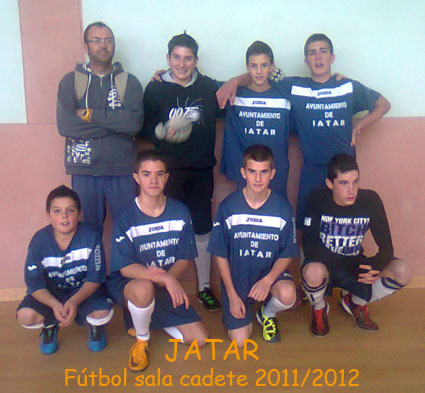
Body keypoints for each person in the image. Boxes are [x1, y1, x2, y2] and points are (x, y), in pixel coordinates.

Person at [216, 33, 391, 237]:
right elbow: (259, 77)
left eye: (323, 52)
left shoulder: (347, 86)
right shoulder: (294, 87)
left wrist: (359, 125)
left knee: (343, 225)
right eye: (312, 53)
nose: (318, 58)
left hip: (343, 169)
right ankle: (308, 268)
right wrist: (235, 81)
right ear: (306, 60)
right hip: (312, 169)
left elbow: (383, 105)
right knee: (306, 228)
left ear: (332, 57)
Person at [139, 33, 222, 312]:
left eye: (188, 58)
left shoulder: (210, 87)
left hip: (200, 171)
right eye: (176, 57)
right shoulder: (155, 89)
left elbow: (242, 88)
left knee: (201, 229)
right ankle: (160, 287)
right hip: (165, 174)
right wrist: (161, 131)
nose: (182, 64)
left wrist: (236, 81)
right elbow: (142, 127)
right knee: (162, 231)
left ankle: (204, 287)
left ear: (196, 60)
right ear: (168, 59)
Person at [107, 150, 207, 372]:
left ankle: (142, 318)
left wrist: (168, 279)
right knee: (143, 290)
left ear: (167, 177)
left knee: (199, 339)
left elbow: (184, 257)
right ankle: (142, 339)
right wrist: (165, 278)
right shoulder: (125, 216)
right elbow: (125, 268)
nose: (153, 180)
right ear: (136, 178)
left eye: (159, 174)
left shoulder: (180, 212)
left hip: (163, 284)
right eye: (146, 174)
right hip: (132, 282)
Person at [301, 154, 412, 337]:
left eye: (355, 182)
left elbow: (386, 248)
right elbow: (309, 245)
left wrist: (373, 267)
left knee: (404, 270)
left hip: (354, 262)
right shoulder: (317, 199)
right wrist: (346, 266)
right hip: (325, 263)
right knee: (313, 272)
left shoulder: (370, 200)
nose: (351, 190)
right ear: (330, 184)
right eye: (343, 183)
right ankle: (319, 309)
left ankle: (355, 302)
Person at [56, 21, 144, 234]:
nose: (103, 45)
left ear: (114, 45)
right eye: (96, 40)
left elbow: (134, 124)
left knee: (128, 233)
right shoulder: (70, 82)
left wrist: (90, 116)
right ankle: (94, 270)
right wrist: (116, 123)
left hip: (122, 170)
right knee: (87, 234)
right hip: (84, 170)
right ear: (86, 46)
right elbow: (66, 126)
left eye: (108, 40)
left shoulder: (129, 82)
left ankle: (123, 270)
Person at [208, 145, 298, 347]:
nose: (258, 179)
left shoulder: (282, 207)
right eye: (252, 171)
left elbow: (288, 252)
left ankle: (267, 314)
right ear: (243, 173)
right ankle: (243, 304)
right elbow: (219, 253)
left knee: (287, 294)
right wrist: (231, 294)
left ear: (272, 174)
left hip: (269, 276)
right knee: (240, 341)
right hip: (238, 280)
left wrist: (268, 281)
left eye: (263, 172)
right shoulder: (228, 207)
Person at [16, 185, 113, 354]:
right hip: (52, 293)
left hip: (83, 291)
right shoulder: (39, 240)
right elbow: (34, 284)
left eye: (70, 210)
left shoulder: (91, 236)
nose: (64, 216)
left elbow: (94, 279)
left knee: (102, 313)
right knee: (26, 316)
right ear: (48, 216)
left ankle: (95, 327)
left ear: (79, 213)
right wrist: (54, 304)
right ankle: (50, 325)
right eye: (57, 211)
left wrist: (74, 301)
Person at [221, 41, 291, 197]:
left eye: (264, 65)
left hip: (276, 174)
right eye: (254, 66)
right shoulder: (233, 94)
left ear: (272, 66)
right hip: (245, 175)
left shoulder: (285, 95)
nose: (259, 71)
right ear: (247, 68)